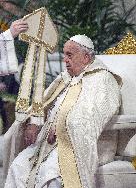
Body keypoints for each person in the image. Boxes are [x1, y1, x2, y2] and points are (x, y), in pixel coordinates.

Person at [4, 35, 122, 188]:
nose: (65, 60)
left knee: (50, 175)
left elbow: (95, 115)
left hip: (81, 144)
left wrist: (62, 126)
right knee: (19, 166)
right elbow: (43, 104)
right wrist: (34, 122)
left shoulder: (103, 79)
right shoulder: (66, 78)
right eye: (64, 54)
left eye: (69, 55)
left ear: (86, 57)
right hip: (50, 142)